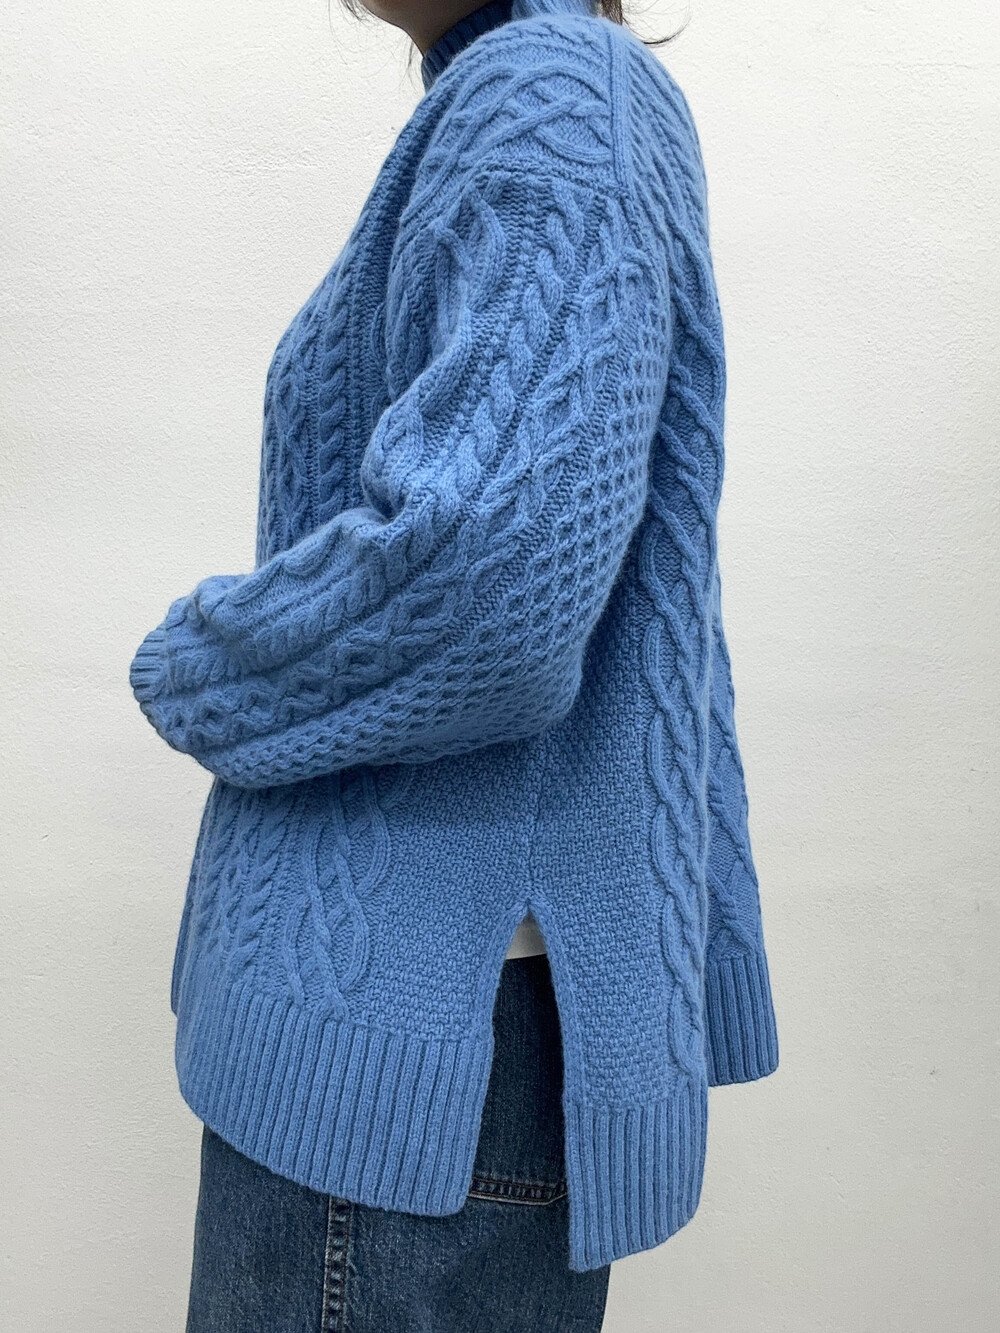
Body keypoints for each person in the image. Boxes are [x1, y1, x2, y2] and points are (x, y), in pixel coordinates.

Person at [129, 0, 781, 1327]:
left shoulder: (554, 100)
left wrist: (197, 668)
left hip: (417, 1040)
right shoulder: (523, 101)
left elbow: (490, 588)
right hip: (420, 1025)